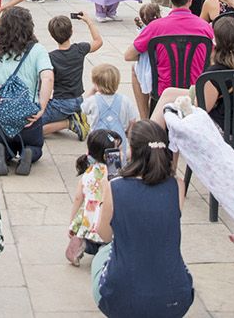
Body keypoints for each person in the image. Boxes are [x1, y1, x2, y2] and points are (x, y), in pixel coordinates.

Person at [89, 118, 193, 318]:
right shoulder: (177, 185)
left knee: (103, 255)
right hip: (175, 299)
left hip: (120, 300)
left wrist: (107, 195)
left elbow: (103, 235)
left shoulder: (115, 186)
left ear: (131, 151)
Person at [0, 5, 54, 176]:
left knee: (2, 143)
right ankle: (28, 152)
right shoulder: (37, 50)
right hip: (27, 116)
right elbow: (48, 77)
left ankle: (1, 151)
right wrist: (42, 107)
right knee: (35, 147)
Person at [129, 0, 214, 115]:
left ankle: (146, 121)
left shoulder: (155, 27)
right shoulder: (205, 27)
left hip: (163, 90)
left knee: (135, 69)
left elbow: (129, 55)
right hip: (194, 89)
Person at [67, 128, 123, 266]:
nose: (121, 153)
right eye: (117, 150)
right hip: (105, 220)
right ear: (108, 156)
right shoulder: (115, 175)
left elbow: (78, 198)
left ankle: (83, 244)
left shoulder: (88, 172)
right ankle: (104, 253)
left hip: (88, 219)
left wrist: (72, 221)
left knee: (90, 238)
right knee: (109, 243)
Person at [44, 13, 103, 138]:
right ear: (72, 31)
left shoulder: (51, 57)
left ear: (51, 35)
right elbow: (98, 41)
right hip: (78, 99)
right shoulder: (79, 49)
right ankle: (73, 116)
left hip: (61, 103)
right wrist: (89, 21)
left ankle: (70, 123)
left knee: (31, 130)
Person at [83, 63, 139, 138]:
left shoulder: (93, 100)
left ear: (96, 85)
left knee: (94, 149)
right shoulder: (125, 100)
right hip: (118, 138)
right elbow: (132, 121)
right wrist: (128, 133)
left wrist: (93, 90)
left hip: (97, 138)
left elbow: (84, 109)